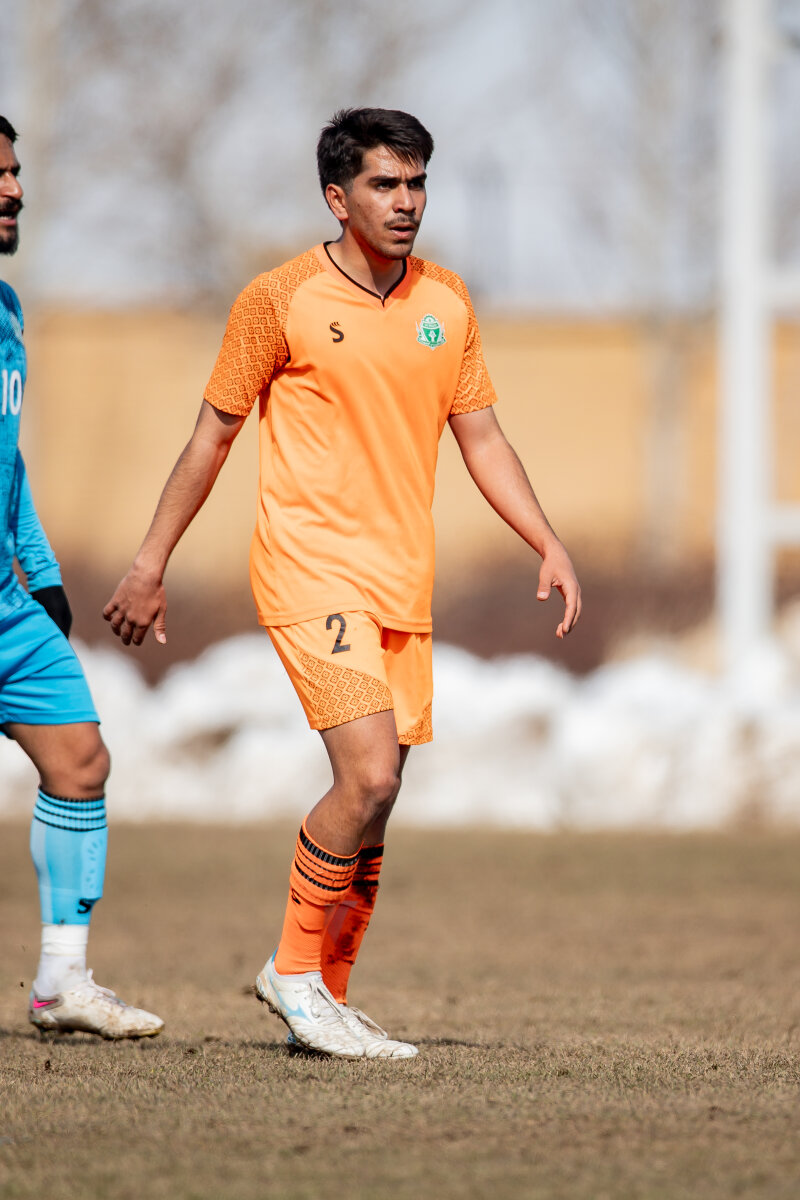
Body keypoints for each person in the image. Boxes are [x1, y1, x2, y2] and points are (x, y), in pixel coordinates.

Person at [104, 107, 581, 1059]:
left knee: (380, 798)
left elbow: (482, 437)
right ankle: (292, 975)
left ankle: (325, 996)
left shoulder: (448, 300)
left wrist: (547, 540)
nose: (406, 203)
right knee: (365, 774)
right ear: (337, 197)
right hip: (309, 567)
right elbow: (212, 437)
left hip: (402, 582)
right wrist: (150, 563)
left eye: (417, 183)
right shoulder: (278, 299)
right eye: (383, 184)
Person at [0, 116, 163, 1040]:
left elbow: (9, 460)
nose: (14, 189)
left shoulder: (7, 311)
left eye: (16, 172)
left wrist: (45, 573)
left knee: (81, 761)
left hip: (8, 604)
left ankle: (62, 981)